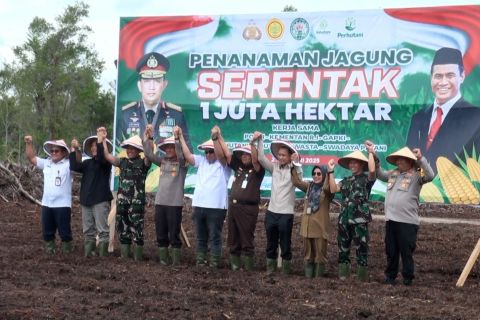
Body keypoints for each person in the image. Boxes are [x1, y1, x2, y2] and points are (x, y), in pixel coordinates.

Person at [406, 47, 480, 174]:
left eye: (450, 75)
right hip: (416, 190)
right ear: (431, 78)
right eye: (438, 76)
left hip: (454, 191)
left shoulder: (475, 116)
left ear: (462, 76)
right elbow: (408, 160)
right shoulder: (418, 117)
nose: (443, 82)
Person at [374, 145, 434, 286]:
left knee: (406, 252)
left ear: (410, 161)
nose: (399, 162)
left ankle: (408, 278)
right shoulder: (393, 173)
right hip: (391, 220)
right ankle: (390, 276)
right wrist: (375, 158)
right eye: (398, 160)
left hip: (407, 222)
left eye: (402, 160)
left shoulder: (417, 174)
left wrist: (420, 158)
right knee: (391, 251)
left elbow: (430, 176)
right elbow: (380, 174)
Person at [212, 126, 265, 271]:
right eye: (242, 154)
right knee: (233, 238)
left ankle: (248, 269)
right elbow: (227, 155)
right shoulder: (239, 167)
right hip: (234, 207)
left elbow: (255, 159)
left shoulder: (257, 170)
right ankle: (235, 266)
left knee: (247, 239)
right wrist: (217, 137)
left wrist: (253, 144)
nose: (244, 156)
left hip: (248, 208)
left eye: (247, 154)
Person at [178, 126, 231, 268]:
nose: (208, 154)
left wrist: (217, 138)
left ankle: (214, 263)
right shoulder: (201, 161)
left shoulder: (223, 164)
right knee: (201, 237)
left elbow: (224, 154)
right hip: (199, 206)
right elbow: (188, 155)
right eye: (206, 151)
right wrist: (181, 137)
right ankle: (200, 261)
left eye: (211, 151)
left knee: (215, 236)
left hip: (217, 208)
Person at [121, 52, 192, 150]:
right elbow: (119, 148)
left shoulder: (176, 115)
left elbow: (187, 150)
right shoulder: (126, 114)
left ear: (164, 84)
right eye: (146, 81)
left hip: (165, 164)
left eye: (157, 81)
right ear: (139, 85)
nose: (152, 87)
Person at [98, 129, 151, 261]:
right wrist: (103, 140)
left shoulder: (144, 163)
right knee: (123, 230)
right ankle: (124, 257)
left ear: (139, 150)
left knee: (137, 231)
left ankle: (138, 258)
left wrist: (148, 139)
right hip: (122, 203)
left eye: (133, 148)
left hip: (136, 204)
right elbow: (107, 155)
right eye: (128, 148)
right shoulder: (122, 162)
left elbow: (149, 155)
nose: (130, 150)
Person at [328, 142, 376, 281]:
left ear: (362, 164)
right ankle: (344, 275)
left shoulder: (367, 179)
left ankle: (361, 278)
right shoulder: (346, 180)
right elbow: (333, 189)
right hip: (344, 220)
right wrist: (330, 171)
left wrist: (371, 152)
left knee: (362, 248)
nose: (352, 165)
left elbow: (372, 171)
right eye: (351, 163)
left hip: (359, 220)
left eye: (356, 163)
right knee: (343, 248)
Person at [251, 132, 298, 275]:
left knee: (285, 243)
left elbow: (299, 179)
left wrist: (295, 163)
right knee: (271, 242)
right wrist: (260, 140)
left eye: (284, 155)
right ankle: (270, 269)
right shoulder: (274, 168)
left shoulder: (295, 169)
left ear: (290, 156)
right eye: (279, 155)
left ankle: (285, 271)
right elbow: (260, 158)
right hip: (272, 211)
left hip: (286, 213)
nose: (281, 157)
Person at [142, 124, 187, 266]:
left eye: (171, 147)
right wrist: (148, 137)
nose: (168, 149)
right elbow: (149, 154)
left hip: (174, 204)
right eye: (166, 147)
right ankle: (163, 259)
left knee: (174, 234)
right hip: (160, 203)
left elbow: (181, 154)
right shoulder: (162, 162)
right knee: (161, 233)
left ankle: (175, 261)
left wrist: (177, 139)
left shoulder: (182, 164)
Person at [24, 136, 73, 254]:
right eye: (52, 151)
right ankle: (50, 254)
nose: (54, 153)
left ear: (63, 152)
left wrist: (72, 148)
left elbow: (78, 160)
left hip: (63, 205)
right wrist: (29, 143)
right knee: (47, 232)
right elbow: (31, 158)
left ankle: (68, 255)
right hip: (47, 204)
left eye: (57, 150)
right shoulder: (46, 163)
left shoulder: (69, 164)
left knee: (65, 232)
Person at [69, 129, 114, 257]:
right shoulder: (87, 163)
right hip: (86, 200)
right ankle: (90, 253)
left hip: (100, 199)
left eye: (96, 145)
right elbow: (74, 167)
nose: (94, 147)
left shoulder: (105, 162)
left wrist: (101, 141)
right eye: (93, 145)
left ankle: (103, 256)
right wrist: (75, 149)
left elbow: (101, 158)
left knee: (102, 230)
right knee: (88, 230)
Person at [291, 158, 334, 278]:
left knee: (320, 254)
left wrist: (330, 171)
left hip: (320, 226)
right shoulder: (309, 186)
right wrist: (294, 165)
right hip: (307, 225)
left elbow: (328, 188)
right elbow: (297, 182)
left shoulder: (328, 190)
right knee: (308, 254)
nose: (316, 176)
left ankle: (318, 279)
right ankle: (308, 278)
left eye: (319, 173)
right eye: (314, 173)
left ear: (324, 175)